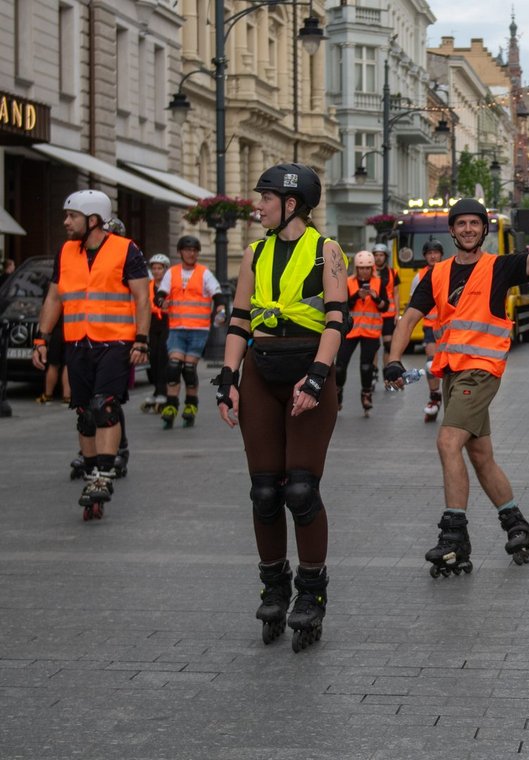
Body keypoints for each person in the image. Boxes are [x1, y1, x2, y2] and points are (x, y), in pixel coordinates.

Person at [384, 195, 529, 576]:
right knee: (480, 456)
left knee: (447, 442)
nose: (468, 229)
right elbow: (408, 319)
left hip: (482, 371)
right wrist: (392, 360)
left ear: (484, 230)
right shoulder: (436, 274)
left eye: (475, 223)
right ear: (452, 230)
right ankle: (517, 525)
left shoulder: (499, 267)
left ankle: (454, 536)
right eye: (461, 223)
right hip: (453, 374)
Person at [214, 162, 347, 653]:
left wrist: (317, 376)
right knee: (265, 492)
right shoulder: (255, 253)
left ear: (291, 203)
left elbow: (336, 319)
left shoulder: (327, 251)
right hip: (261, 373)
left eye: (266, 197)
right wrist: (228, 378)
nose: (259, 206)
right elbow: (239, 319)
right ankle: (274, 587)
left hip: (308, 371)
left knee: (301, 490)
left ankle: (311, 593)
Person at [32, 190, 150, 519]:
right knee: (84, 412)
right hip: (77, 342)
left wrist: (141, 341)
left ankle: (104, 476)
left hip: (115, 342)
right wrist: (41, 339)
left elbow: (142, 297)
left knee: (104, 406)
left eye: (72, 216)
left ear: (94, 220)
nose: (66, 222)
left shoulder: (126, 249)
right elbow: (54, 298)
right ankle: (90, 473)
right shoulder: (66, 252)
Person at [156, 236, 225, 428]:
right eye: (187, 250)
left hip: (198, 330)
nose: (191, 253)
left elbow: (218, 295)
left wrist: (220, 309)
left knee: (188, 368)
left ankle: (191, 405)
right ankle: (171, 406)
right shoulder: (172, 273)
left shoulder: (204, 273)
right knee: (173, 367)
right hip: (177, 329)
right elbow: (160, 294)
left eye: (194, 250)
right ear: (180, 252)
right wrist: (162, 302)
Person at [335, 250, 387, 415]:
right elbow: (343, 306)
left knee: (366, 367)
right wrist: (356, 296)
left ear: (372, 268)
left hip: (370, 331)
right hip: (350, 331)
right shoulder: (348, 282)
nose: (364, 271)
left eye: (367, 268)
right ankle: (337, 395)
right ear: (356, 269)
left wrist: (376, 298)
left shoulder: (378, 282)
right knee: (339, 366)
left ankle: (366, 395)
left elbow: (385, 306)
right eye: (361, 268)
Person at [409, 239, 445, 422]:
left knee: (453, 365)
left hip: (450, 327)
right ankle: (435, 398)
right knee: (431, 365)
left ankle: (455, 402)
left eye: (436, 252)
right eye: (429, 253)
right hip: (430, 326)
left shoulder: (449, 272)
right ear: (425, 256)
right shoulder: (419, 277)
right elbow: (413, 305)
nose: (433, 256)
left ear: (441, 255)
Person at [141, 253, 171, 414]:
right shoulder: (148, 285)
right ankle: (157, 389)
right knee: (152, 358)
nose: (156, 271)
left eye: (159, 268)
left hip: (167, 322)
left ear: (165, 269)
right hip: (152, 323)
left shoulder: (169, 286)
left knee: (162, 357)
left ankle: (162, 391)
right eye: (154, 268)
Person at [372, 242, 400, 383]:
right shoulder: (369, 272)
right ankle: (373, 371)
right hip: (374, 314)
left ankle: (386, 372)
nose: (378, 258)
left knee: (388, 346)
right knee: (373, 346)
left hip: (389, 315)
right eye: (376, 255)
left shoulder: (393, 273)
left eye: (381, 255)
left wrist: (397, 313)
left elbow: (396, 294)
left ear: (385, 257)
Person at [35, 315, 71, 405]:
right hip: (71, 330)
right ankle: (67, 397)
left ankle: (48, 395)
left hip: (56, 330)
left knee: (53, 365)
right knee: (68, 364)